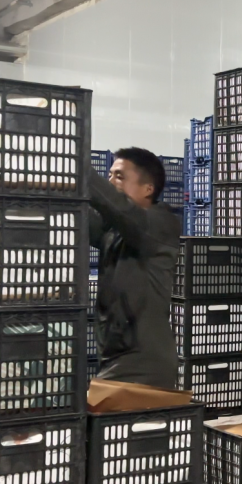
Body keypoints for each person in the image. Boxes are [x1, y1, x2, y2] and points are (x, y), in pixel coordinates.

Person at [89, 147, 181, 389]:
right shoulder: (115, 231)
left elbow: (119, 207)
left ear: (147, 189)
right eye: (109, 175)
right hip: (113, 357)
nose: (111, 182)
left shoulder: (161, 225)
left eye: (119, 177)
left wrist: (78, 168)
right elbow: (84, 220)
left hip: (143, 364)